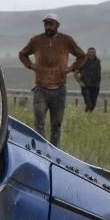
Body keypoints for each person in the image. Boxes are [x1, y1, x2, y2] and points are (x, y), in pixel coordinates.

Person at [18, 13, 86, 147]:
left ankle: (55, 153)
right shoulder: (36, 40)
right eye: (46, 24)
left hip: (59, 90)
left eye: (50, 24)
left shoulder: (66, 40)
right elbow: (22, 54)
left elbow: (82, 56)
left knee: (56, 126)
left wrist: (72, 68)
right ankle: (41, 151)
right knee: (39, 124)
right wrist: (31, 65)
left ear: (57, 25)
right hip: (40, 89)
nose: (48, 27)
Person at [76, 47, 102, 112]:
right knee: (89, 104)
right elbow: (75, 74)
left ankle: (87, 117)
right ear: (87, 53)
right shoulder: (82, 61)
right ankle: (86, 117)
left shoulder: (98, 61)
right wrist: (80, 82)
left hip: (95, 86)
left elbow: (98, 73)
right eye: (90, 52)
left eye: (93, 52)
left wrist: (98, 83)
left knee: (93, 104)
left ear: (95, 53)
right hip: (86, 86)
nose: (91, 54)